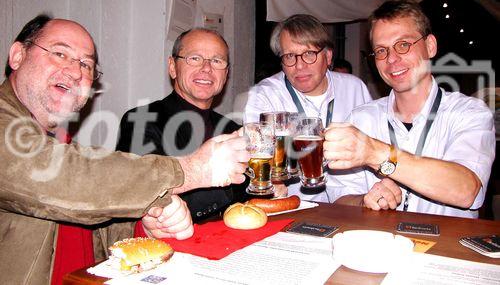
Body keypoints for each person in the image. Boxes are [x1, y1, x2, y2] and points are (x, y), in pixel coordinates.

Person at [0, 15, 249, 284]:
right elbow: (65, 179)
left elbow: (91, 226)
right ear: (17, 55)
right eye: (60, 53)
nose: (75, 71)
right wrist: (191, 169)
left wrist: (147, 227)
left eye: (86, 64)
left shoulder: (58, 140)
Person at [324, 0, 495, 218]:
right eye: (381, 51)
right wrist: (365, 201)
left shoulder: (469, 112)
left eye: (403, 44)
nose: (392, 59)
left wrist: (374, 153)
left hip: (444, 248)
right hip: (380, 244)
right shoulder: (361, 118)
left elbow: (466, 191)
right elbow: (339, 198)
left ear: (430, 46)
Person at [116, 28, 256, 222]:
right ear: (173, 67)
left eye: (217, 61)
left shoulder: (231, 128)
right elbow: (143, 199)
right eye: (195, 58)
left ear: (226, 74)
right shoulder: (141, 121)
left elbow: (250, 195)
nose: (206, 68)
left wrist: (269, 186)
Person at [244, 14, 372, 203]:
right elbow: (258, 156)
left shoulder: (355, 88)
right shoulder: (265, 95)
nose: (299, 65)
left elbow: (373, 146)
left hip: (353, 202)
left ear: (328, 56)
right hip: (295, 206)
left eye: (309, 54)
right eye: (289, 56)